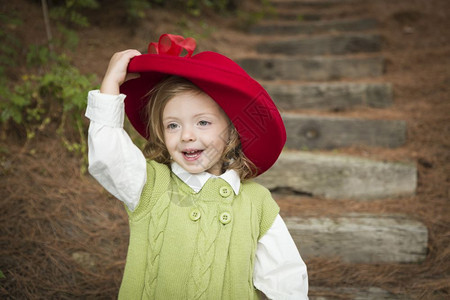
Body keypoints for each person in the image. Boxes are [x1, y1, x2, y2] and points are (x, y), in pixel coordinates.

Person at [85, 33, 308, 299]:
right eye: (173, 125)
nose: (186, 135)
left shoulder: (257, 203)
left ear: (232, 132)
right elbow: (108, 156)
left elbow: (285, 275)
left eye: (203, 122)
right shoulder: (149, 185)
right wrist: (110, 86)